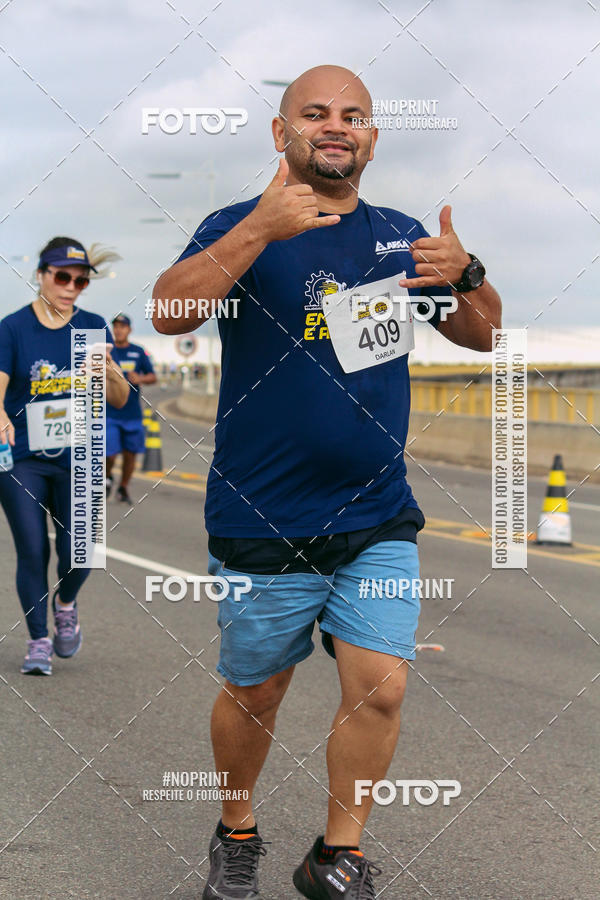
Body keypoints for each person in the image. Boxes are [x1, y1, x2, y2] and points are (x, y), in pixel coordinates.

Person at [153, 65, 502, 899]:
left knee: (382, 686)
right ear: (283, 134)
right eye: (314, 113)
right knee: (257, 690)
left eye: (353, 114)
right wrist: (257, 230)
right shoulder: (236, 224)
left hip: (376, 512)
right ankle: (237, 832)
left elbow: (484, 335)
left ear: (372, 137)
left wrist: (467, 273)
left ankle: (337, 855)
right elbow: (169, 311)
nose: (335, 125)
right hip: (263, 513)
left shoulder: (398, 236)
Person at [0, 237, 129, 676]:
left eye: (80, 281)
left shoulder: (92, 327)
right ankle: (38, 641)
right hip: (24, 458)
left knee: (82, 552)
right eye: (62, 277)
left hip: (81, 456)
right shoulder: (13, 328)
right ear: (41, 275)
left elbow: (119, 399)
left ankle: (66, 603)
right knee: (32, 550)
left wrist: (109, 371)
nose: (71, 287)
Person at [105, 314, 156, 504]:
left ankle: (123, 487)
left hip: (132, 414)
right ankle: (107, 477)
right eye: (116, 326)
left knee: (130, 454)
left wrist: (140, 378)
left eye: (122, 326)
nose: (119, 330)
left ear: (129, 329)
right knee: (109, 453)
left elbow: (152, 376)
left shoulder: (138, 351)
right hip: (110, 412)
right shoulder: (108, 351)